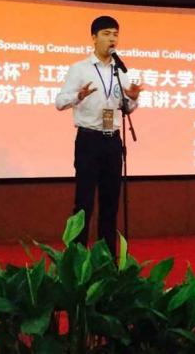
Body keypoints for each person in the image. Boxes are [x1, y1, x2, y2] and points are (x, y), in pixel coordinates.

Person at [55, 15, 142, 255]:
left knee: (110, 204)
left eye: (115, 34)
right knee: (84, 204)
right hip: (89, 140)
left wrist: (133, 98)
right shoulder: (80, 69)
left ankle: (107, 259)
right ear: (94, 38)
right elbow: (59, 102)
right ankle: (77, 259)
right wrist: (78, 96)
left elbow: (126, 108)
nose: (112, 39)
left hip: (113, 141)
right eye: (106, 34)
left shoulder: (120, 71)